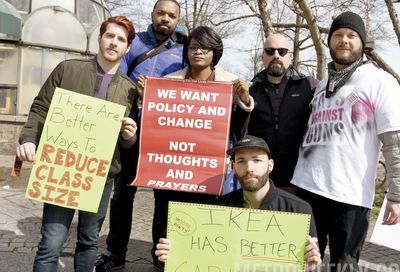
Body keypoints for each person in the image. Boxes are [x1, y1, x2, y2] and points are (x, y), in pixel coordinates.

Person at [16, 16, 137, 272]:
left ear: (127, 48)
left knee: (89, 243)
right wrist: (28, 138)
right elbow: (40, 108)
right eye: (110, 36)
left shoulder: (130, 90)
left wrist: (129, 137)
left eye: (121, 40)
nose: (114, 43)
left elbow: (126, 144)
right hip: (61, 169)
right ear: (100, 38)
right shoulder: (67, 69)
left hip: (101, 177)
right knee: (51, 243)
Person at [137, 25, 254, 271]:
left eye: (204, 47)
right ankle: (162, 264)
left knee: (203, 227)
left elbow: (237, 132)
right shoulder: (168, 82)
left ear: (215, 52)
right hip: (170, 173)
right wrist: (146, 97)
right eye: (192, 47)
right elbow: (158, 126)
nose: (197, 52)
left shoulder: (230, 83)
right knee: (165, 222)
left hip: (207, 175)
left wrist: (243, 101)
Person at [291, 11, 400, 272]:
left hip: (349, 195)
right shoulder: (321, 84)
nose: (344, 40)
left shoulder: (380, 81)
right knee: (299, 261)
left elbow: (394, 142)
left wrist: (396, 195)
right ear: (329, 42)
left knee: (344, 266)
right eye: (338, 35)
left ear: (362, 43)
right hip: (307, 188)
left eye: (352, 36)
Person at [95, 1, 187, 271]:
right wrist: (135, 92)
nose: (165, 19)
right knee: (123, 195)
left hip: (165, 137)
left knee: (164, 199)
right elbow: (116, 79)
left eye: (171, 16)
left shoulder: (185, 49)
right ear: (153, 15)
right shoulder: (133, 44)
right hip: (131, 132)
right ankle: (115, 253)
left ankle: (161, 256)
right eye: (161, 13)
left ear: (177, 19)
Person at [154, 135, 322, 271]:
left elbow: (308, 263)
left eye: (257, 160)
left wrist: (311, 266)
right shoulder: (217, 209)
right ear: (234, 167)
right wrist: (169, 256)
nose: (249, 168)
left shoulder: (299, 210)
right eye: (241, 161)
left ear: (270, 165)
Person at [232, 33, 317, 193]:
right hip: (261, 182)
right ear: (263, 57)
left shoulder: (310, 86)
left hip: (300, 181)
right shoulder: (250, 91)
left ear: (290, 57)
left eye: (282, 51)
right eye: (270, 51)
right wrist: (243, 102)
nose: (276, 56)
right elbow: (238, 132)